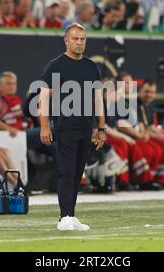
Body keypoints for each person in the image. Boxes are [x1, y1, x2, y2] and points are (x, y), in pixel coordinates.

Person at [39, 23, 106, 231]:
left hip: (86, 127)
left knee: (78, 174)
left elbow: (97, 98)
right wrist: (44, 126)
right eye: (75, 38)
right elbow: (43, 97)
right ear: (66, 41)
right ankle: (64, 216)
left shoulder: (91, 66)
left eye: (82, 39)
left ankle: (71, 214)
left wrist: (101, 127)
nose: (79, 42)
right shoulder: (55, 65)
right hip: (65, 127)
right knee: (66, 172)